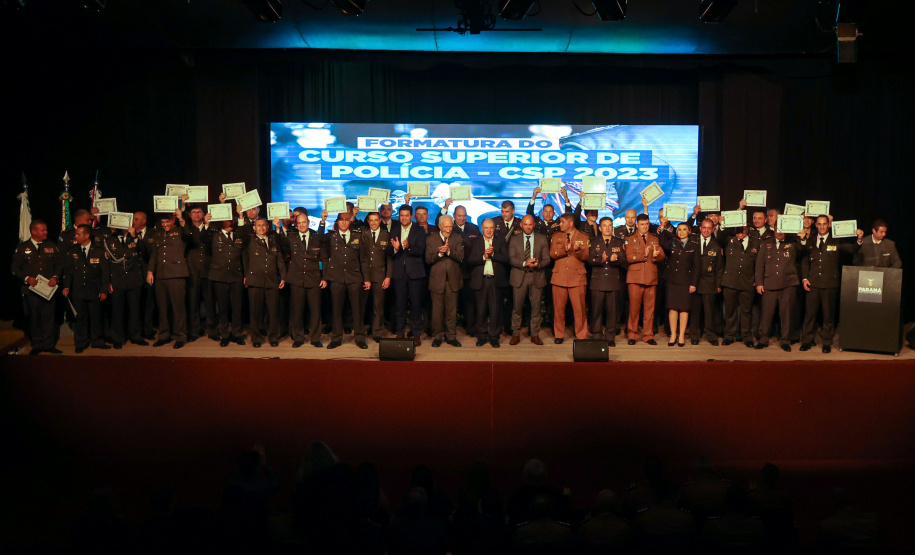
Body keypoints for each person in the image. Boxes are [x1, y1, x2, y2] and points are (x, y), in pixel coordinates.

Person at [799, 215, 863, 353]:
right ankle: (806, 341)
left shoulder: (836, 240)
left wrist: (859, 240)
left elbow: (852, 249)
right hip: (813, 283)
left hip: (830, 283)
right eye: (819, 224)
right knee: (810, 315)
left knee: (828, 315)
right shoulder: (810, 240)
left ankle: (826, 342)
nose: (822, 226)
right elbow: (805, 260)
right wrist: (804, 278)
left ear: (829, 225)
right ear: (816, 225)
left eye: (824, 224)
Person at [12, 220, 63, 355]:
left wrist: (55, 277)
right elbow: (15, 268)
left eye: (46, 230)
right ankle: (37, 344)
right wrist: (27, 278)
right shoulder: (23, 247)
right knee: (34, 317)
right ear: (34, 232)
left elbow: (59, 264)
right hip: (31, 290)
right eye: (43, 230)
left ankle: (49, 344)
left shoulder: (51, 245)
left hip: (48, 290)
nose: (46, 232)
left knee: (49, 317)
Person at [277, 212, 324, 348]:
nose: (302, 225)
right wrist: (278, 227)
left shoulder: (316, 236)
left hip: (313, 279)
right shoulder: (291, 237)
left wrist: (322, 221)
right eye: (299, 223)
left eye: (304, 222)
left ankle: (315, 338)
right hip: (297, 279)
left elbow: (324, 257)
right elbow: (280, 241)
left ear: (308, 222)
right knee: (297, 311)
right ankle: (298, 337)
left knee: (315, 311)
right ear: (296, 225)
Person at [323, 211, 368, 349]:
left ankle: (360, 338)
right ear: (337, 221)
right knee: (336, 310)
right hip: (336, 278)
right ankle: (336, 338)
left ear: (350, 222)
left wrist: (366, 278)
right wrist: (323, 221)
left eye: (346, 220)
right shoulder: (331, 236)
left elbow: (364, 259)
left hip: (354, 277)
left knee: (357, 310)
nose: (344, 222)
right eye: (341, 219)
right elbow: (323, 254)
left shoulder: (358, 236)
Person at [147, 211, 190, 349]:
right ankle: (164, 335)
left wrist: (181, 218)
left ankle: (180, 336)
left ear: (173, 220)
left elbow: (190, 235)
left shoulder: (181, 231)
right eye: (163, 223)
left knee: (178, 308)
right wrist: (150, 271)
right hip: (161, 275)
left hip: (177, 274)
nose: (165, 225)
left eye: (168, 222)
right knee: (163, 307)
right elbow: (155, 254)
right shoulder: (158, 234)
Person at [755, 227, 800, 351]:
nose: (779, 232)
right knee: (767, 314)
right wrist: (759, 283)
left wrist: (803, 238)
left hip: (788, 284)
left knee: (786, 314)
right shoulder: (766, 243)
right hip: (769, 283)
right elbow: (760, 264)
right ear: (773, 230)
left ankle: (785, 340)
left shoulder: (793, 242)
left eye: (782, 229)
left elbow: (803, 250)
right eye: (777, 229)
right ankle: (763, 339)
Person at [103, 225, 148, 348]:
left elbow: (143, 251)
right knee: (117, 311)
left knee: (135, 310)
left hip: (134, 279)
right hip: (117, 280)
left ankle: (136, 336)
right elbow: (106, 263)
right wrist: (108, 282)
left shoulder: (134, 238)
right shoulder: (109, 240)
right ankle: (118, 338)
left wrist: (134, 236)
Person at [509, 215, 551, 345]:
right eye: (525, 224)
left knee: (536, 308)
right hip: (519, 276)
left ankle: (535, 334)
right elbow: (511, 259)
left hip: (536, 276)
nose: (528, 226)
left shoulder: (542, 238)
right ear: (521, 225)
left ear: (534, 225)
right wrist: (524, 263)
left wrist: (537, 264)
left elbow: (547, 259)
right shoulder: (514, 239)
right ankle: (515, 334)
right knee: (517, 308)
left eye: (530, 224)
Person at [624, 214, 666, 345]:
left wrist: (656, 256)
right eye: (642, 224)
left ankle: (648, 335)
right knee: (634, 308)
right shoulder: (629, 239)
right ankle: (632, 334)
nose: (645, 227)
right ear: (637, 225)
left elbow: (662, 256)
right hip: (635, 278)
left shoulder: (654, 238)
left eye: (647, 224)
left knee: (650, 309)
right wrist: (644, 254)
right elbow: (629, 257)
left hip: (651, 278)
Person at [244, 218, 286, 348]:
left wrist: (283, 276)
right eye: (258, 225)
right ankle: (256, 338)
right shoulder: (249, 241)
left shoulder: (273, 241)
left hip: (272, 281)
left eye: (264, 225)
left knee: (273, 312)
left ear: (267, 227)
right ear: (254, 228)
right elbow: (241, 234)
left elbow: (280, 260)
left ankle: (273, 337)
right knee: (255, 312)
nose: (261, 228)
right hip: (255, 281)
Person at [389, 204, 427, 346]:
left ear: (411, 216)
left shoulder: (419, 230)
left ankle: (416, 334)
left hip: (415, 273)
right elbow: (388, 250)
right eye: (401, 215)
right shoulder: (394, 230)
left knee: (416, 305)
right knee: (400, 304)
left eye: (406, 215)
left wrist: (407, 247)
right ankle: (400, 333)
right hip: (399, 273)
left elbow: (421, 250)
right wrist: (396, 249)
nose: (404, 218)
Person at [658, 219, 700, 347]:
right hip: (673, 280)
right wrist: (663, 228)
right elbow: (663, 242)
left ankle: (681, 334)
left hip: (686, 281)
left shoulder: (694, 245)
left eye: (684, 229)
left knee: (684, 308)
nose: (682, 232)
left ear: (689, 231)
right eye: (679, 230)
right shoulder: (673, 243)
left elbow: (697, 267)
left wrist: (693, 283)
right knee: (672, 308)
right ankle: (673, 334)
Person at [468, 218, 509, 348]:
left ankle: (494, 337)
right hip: (481, 281)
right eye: (486, 228)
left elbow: (506, 258)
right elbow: (470, 260)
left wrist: (493, 254)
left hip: (495, 281)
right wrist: (483, 257)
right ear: (481, 228)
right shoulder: (475, 241)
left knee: (495, 310)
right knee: (480, 311)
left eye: (491, 227)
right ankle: (481, 336)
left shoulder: (500, 240)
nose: (489, 230)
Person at [550, 213, 590, 344]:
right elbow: (553, 254)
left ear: (570, 223)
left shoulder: (583, 237)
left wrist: (577, 250)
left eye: (562, 222)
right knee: (559, 309)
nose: (560, 224)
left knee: (579, 310)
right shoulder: (556, 236)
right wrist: (565, 250)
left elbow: (585, 257)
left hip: (577, 278)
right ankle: (559, 334)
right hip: (559, 277)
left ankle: (581, 334)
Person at [587, 217, 627, 346]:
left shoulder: (619, 241)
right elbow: (589, 260)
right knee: (596, 310)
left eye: (610, 225)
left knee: (612, 311)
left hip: (613, 280)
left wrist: (617, 260)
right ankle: (597, 334)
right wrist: (601, 260)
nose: (608, 228)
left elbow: (625, 261)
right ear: (600, 228)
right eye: (605, 225)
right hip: (598, 281)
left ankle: (610, 336)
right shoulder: (593, 242)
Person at [425, 215, 464, 347]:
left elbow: (460, 256)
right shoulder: (431, 239)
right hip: (437, 281)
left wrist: (448, 251)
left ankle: (451, 336)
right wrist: (440, 254)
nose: (448, 229)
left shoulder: (457, 237)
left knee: (451, 311)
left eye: (450, 226)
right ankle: (438, 336)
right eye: (446, 226)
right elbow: (428, 259)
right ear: (439, 226)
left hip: (453, 280)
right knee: (437, 311)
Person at [209, 217, 247, 347]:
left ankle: (236, 333)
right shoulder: (214, 235)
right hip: (220, 276)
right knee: (223, 307)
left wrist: (241, 217)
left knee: (237, 307)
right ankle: (224, 334)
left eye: (231, 218)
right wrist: (207, 223)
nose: (229, 221)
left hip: (236, 275)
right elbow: (202, 238)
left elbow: (246, 234)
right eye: (226, 218)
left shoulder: (238, 234)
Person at [720, 226, 760, 347]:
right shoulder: (728, 240)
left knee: (746, 311)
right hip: (730, 281)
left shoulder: (756, 242)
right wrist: (722, 225)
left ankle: (746, 337)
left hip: (747, 282)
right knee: (730, 311)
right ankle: (729, 336)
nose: (740, 232)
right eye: (737, 230)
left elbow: (759, 263)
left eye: (742, 229)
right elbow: (719, 238)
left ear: (747, 229)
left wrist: (757, 280)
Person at [182, 205, 216, 342]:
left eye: (199, 212)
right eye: (193, 212)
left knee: (210, 303)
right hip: (192, 271)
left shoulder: (211, 229)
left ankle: (213, 331)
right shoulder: (186, 230)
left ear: (204, 214)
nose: (196, 214)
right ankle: (193, 331)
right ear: (189, 215)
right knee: (193, 303)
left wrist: (207, 226)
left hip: (208, 271)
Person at [690, 218, 725, 345]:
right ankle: (695, 335)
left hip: (710, 283)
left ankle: (711, 335)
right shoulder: (692, 241)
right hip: (694, 282)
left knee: (710, 312)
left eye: (709, 228)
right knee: (695, 311)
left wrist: (718, 285)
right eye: (704, 227)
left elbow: (719, 268)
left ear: (713, 229)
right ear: (700, 228)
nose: (706, 230)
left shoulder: (716, 246)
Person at [361, 212, 393, 342]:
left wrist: (388, 277)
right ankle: (364, 330)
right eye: (371, 220)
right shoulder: (363, 236)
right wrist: (366, 278)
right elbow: (362, 258)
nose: (373, 223)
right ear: (368, 221)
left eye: (376, 220)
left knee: (378, 306)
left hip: (381, 275)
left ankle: (377, 332)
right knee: (364, 305)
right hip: (366, 275)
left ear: (380, 220)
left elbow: (390, 259)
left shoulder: (387, 235)